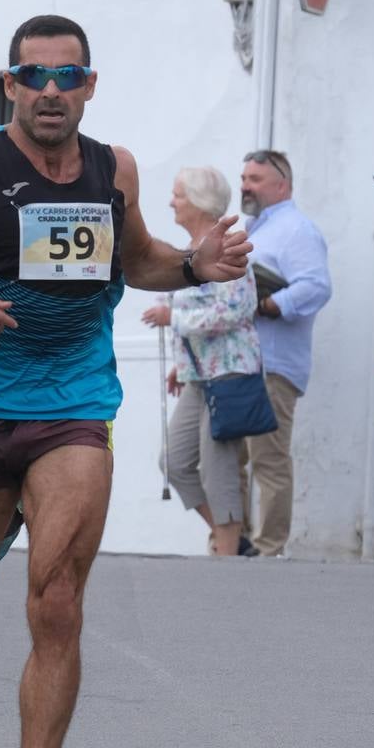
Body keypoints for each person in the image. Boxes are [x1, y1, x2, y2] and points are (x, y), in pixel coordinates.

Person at [0, 14, 250, 748]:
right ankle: (0, 515)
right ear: (9, 85)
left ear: (88, 88)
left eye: (66, 77)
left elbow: (140, 263)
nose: (49, 91)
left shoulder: (115, 170)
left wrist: (197, 266)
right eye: (33, 75)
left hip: (72, 405)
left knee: (59, 602)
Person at [142, 167, 260, 557]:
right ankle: (233, 540)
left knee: (218, 468)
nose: (171, 202)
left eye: (177, 194)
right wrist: (183, 361)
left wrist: (171, 317)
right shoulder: (190, 249)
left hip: (227, 376)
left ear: (197, 201)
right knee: (174, 461)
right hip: (198, 375)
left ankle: (226, 551)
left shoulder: (227, 246)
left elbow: (236, 310)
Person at [234, 149, 332, 557]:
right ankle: (236, 542)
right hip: (242, 362)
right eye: (243, 178)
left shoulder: (296, 229)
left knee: (269, 461)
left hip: (274, 364)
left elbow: (316, 286)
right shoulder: (254, 227)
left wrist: (271, 305)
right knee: (230, 457)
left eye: (255, 179)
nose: (245, 185)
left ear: (282, 185)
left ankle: (268, 547)